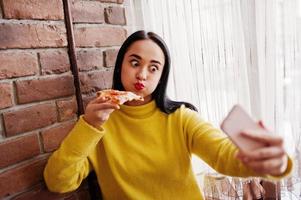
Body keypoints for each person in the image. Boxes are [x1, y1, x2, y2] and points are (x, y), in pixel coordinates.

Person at [44, 30, 292, 200]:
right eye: (134, 63)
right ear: (120, 65)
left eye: (153, 68)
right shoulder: (98, 123)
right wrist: (89, 125)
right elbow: (58, 182)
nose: (142, 74)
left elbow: (223, 154)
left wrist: (273, 161)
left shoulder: (181, 118)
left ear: (161, 76)